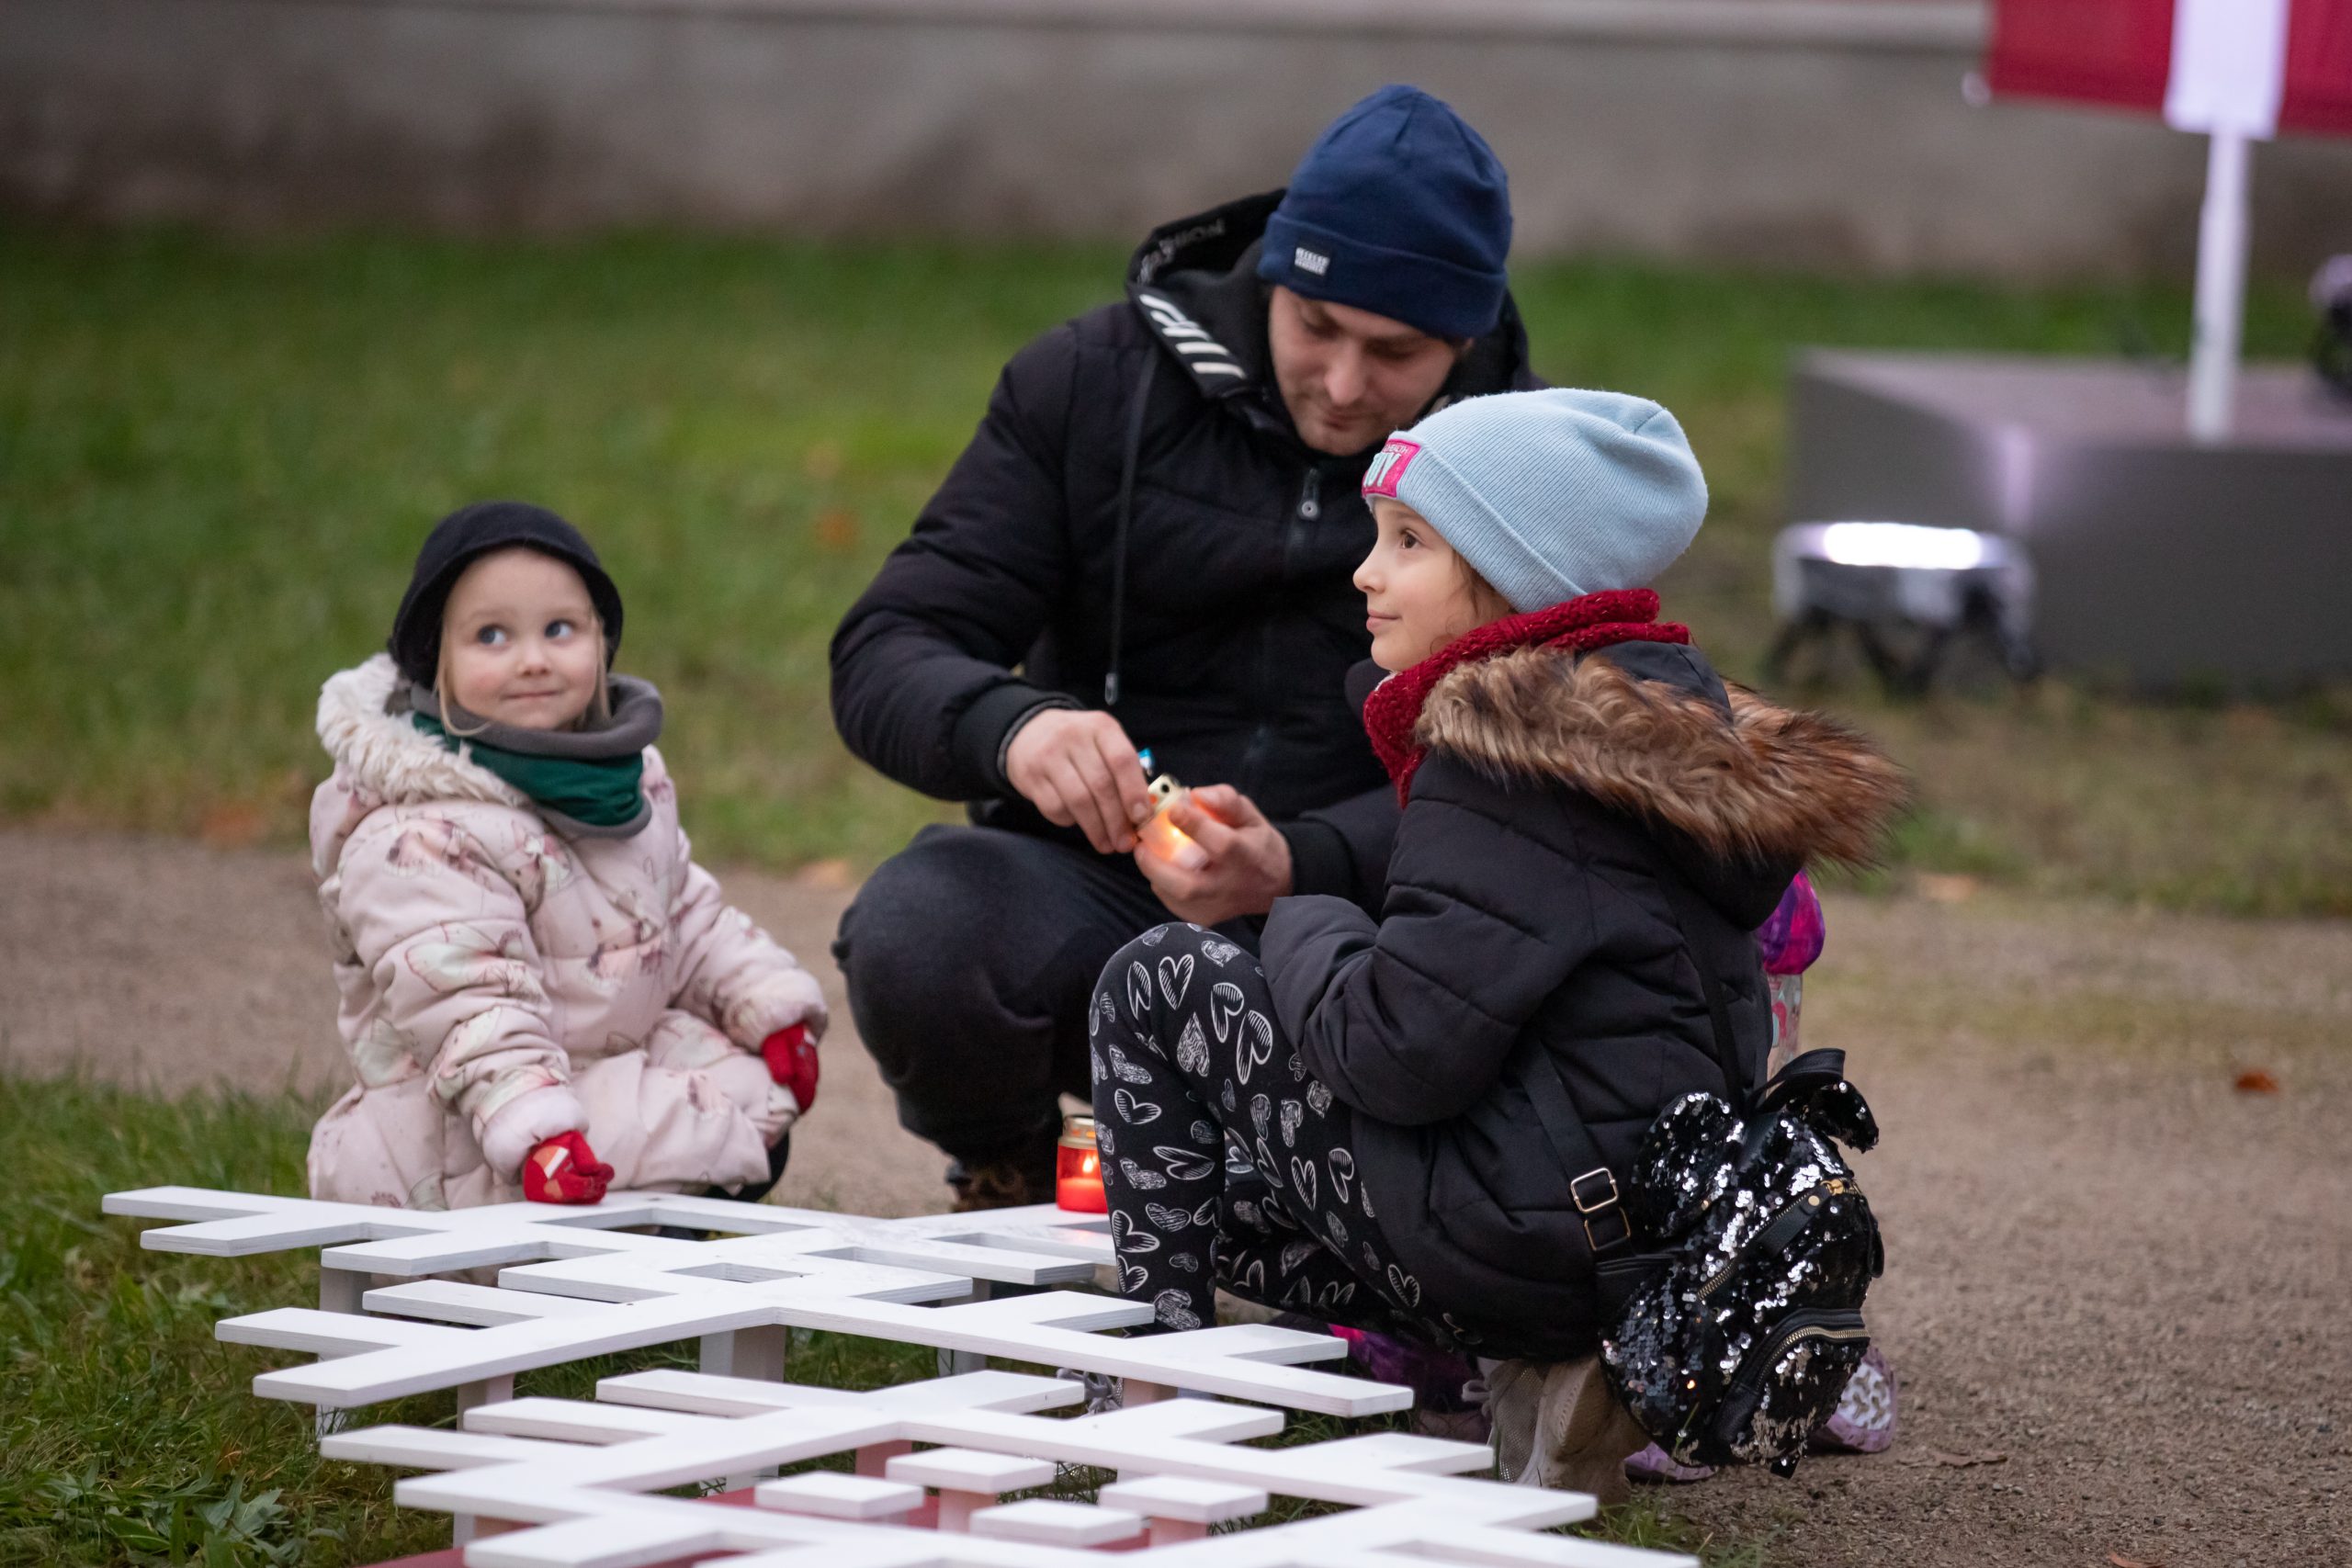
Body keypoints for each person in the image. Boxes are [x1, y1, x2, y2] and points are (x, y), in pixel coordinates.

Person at [1088, 389, 1905, 1498]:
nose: (1364, 573)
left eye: (1409, 541)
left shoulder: (1502, 761)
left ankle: (1140, 1384)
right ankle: (1544, 1371)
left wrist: (1295, 910)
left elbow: (1393, 1054)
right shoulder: (1664, 742)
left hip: (1520, 1248)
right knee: (1217, 1193)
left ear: (1518, 572)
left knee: (1158, 978)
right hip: (1639, 1248)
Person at [831, 85, 1539, 1208]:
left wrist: (1302, 860)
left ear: (1464, 340)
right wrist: (1015, 730)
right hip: (1099, 897)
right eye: (1315, 327)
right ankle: (1014, 1168)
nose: (1342, 386)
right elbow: (888, 644)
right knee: (923, 925)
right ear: (1270, 278)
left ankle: (1357, 1207)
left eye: (1394, 353)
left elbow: (1545, 762)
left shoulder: (1525, 466)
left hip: (1371, 930)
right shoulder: (1087, 383)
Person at [306, 502, 827, 1210]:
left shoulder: (617, 784)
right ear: (436, 661)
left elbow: (683, 917)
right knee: (701, 1124)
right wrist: (537, 1131)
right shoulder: (417, 833)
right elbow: (471, 1009)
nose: (533, 659)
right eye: (491, 635)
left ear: (600, 641)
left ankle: (640, 1244)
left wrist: (770, 1007)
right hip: (465, 1130)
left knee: (751, 1097)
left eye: (560, 629)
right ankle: (568, 1250)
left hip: (593, 1074)